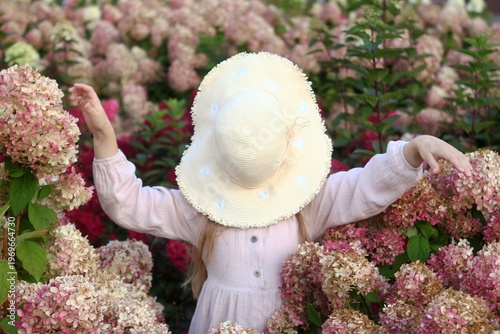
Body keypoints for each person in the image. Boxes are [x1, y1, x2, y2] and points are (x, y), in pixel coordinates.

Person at [69, 52, 472, 333]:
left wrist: (414, 149)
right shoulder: (202, 211)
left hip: (288, 323)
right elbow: (130, 203)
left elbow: (363, 187)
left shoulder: (305, 203)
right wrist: (104, 136)